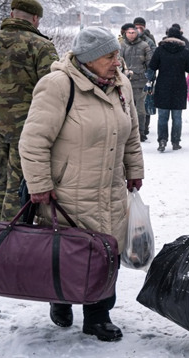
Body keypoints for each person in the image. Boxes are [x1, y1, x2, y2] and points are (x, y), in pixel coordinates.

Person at [18, 26, 144, 342]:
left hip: (111, 189)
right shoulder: (58, 86)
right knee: (67, 253)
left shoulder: (121, 86)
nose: (118, 62)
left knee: (107, 254)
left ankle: (99, 316)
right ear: (88, 60)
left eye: (117, 54)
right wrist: (39, 184)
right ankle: (59, 299)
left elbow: (132, 135)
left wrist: (135, 169)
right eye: (110, 56)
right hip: (66, 192)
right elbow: (33, 141)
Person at [0, 0, 59, 221]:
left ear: (11, 14)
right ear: (35, 18)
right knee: (20, 177)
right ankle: (12, 227)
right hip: (29, 126)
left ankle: (1, 222)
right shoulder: (41, 46)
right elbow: (53, 88)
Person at [149, 26, 189, 152]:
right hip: (179, 86)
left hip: (163, 86)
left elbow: (152, 66)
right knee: (177, 117)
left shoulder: (160, 50)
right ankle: (175, 142)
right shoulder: (184, 51)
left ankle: (162, 141)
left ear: (167, 36)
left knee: (162, 117)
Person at [120, 23, 153, 142]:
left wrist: (148, 77)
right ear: (125, 33)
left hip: (140, 81)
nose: (131, 35)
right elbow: (118, 62)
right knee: (126, 108)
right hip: (126, 81)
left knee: (140, 109)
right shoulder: (122, 46)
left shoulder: (144, 46)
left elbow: (150, 63)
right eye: (129, 32)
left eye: (133, 32)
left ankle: (141, 132)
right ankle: (128, 132)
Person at [133, 17, 156, 137]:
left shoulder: (149, 41)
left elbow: (153, 59)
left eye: (140, 27)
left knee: (145, 103)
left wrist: (151, 75)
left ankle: (144, 128)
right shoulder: (127, 41)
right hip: (131, 77)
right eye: (136, 27)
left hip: (145, 77)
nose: (138, 29)